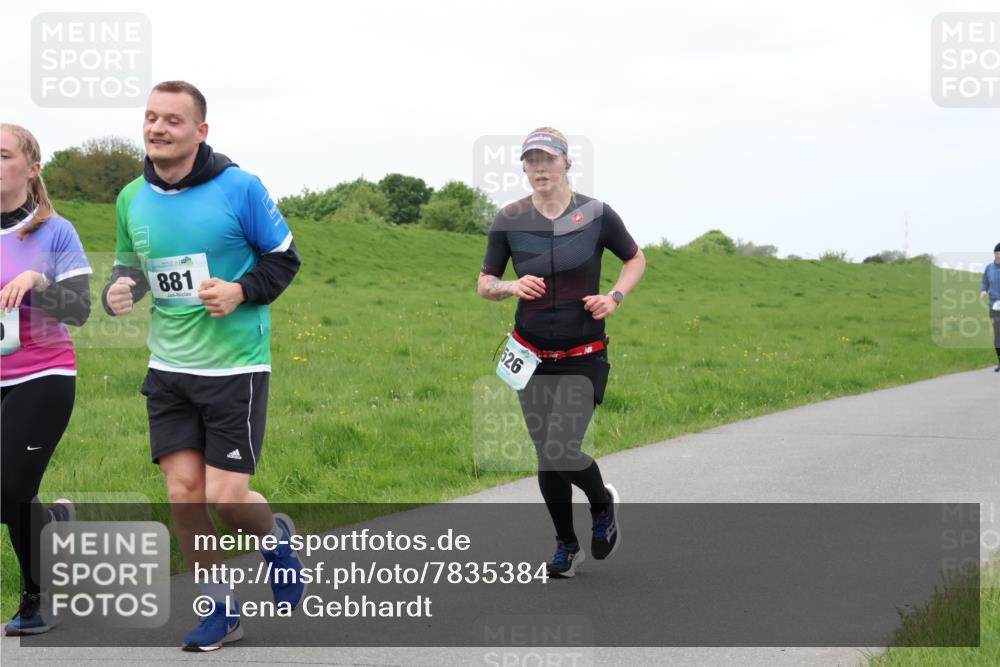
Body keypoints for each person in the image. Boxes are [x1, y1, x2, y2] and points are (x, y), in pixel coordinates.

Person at [101, 81, 303, 651]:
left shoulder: (240, 187)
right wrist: (119, 290)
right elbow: (132, 268)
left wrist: (241, 291)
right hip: (168, 368)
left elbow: (285, 259)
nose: (158, 128)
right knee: (184, 495)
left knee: (228, 500)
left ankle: (275, 535)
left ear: (200, 131)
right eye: (151, 117)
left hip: (235, 369)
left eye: (173, 119)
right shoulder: (130, 197)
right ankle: (221, 610)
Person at [478, 128, 646, 578]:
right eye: (531, 160)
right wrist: (510, 285)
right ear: (524, 167)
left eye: (548, 159)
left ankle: (601, 503)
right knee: (547, 456)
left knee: (560, 447)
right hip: (530, 356)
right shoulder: (509, 219)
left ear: (566, 163)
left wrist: (614, 297)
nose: (540, 168)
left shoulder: (596, 215)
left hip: (583, 353)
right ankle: (566, 545)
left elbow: (635, 258)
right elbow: (485, 283)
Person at [1, 123, 91, 635]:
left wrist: (38, 279)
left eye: (3, 155)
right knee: (10, 495)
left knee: (11, 489)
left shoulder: (55, 232)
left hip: (42, 373)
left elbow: (78, 310)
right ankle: (52, 529)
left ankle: (35, 599)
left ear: (32, 169)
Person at [981, 242, 1000, 373]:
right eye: (997, 253)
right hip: (994, 306)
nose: (999, 256)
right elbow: (984, 282)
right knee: (997, 335)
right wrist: (983, 290)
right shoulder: (989, 268)